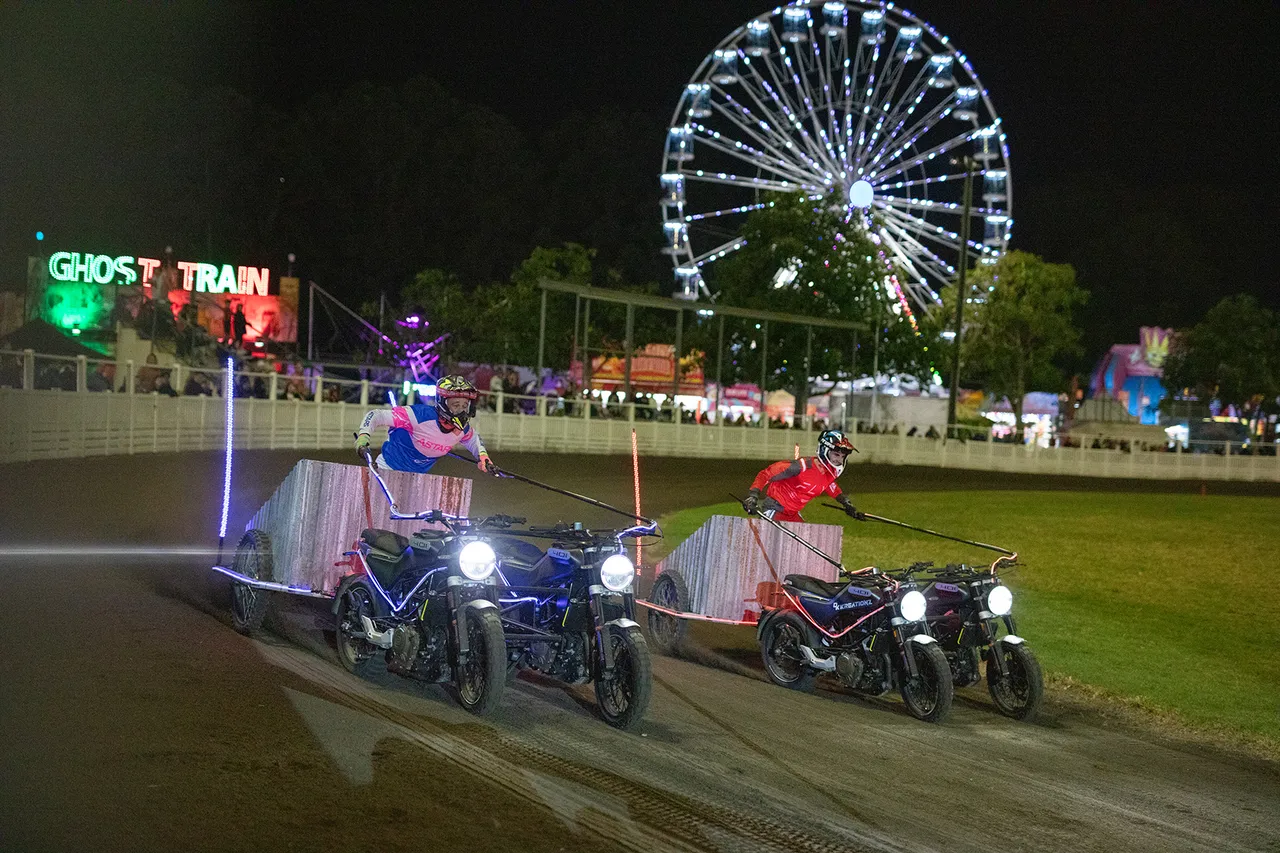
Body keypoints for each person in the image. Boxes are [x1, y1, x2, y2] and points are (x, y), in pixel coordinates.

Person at [355, 374, 499, 476]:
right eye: (456, 405)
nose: (461, 410)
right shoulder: (418, 415)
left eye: (465, 405)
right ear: (443, 403)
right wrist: (363, 438)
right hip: (386, 470)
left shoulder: (462, 430)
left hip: (418, 480)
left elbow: (473, 439)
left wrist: (483, 457)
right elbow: (376, 415)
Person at [742, 429, 863, 523]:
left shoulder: (829, 473)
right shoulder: (801, 467)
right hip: (775, 509)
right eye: (836, 454)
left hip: (793, 513)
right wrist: (753, 497)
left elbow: (830, 486)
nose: (839, 460)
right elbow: (765, 474)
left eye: (842, 456)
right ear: (824, 450)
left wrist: (846, 504)